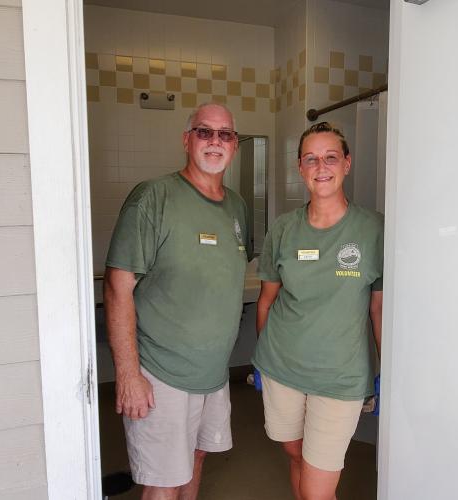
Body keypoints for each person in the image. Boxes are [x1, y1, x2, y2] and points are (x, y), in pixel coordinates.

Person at [104, 102, 252, 500]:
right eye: (205, 132)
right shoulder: (154, 197)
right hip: (160, 373)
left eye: (225, 134)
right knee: (163, 481)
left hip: (212, 374)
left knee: (196, 459)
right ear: (187, 140)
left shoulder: (237, 207)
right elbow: (118, 287)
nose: (215, 141)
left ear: (235, 145)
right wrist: (129, 375)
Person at [252, 122, 383, 500]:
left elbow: (378, 310)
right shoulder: (283, 230)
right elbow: (267, 301)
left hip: (340, 378)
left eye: (330, 157)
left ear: (347, 164)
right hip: (281, 368)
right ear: (300, 168)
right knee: (295, 455)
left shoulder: (374, 229)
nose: (320, 166)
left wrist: (388, 369)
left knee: (317, 486)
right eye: (311, 159)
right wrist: (261, 362)